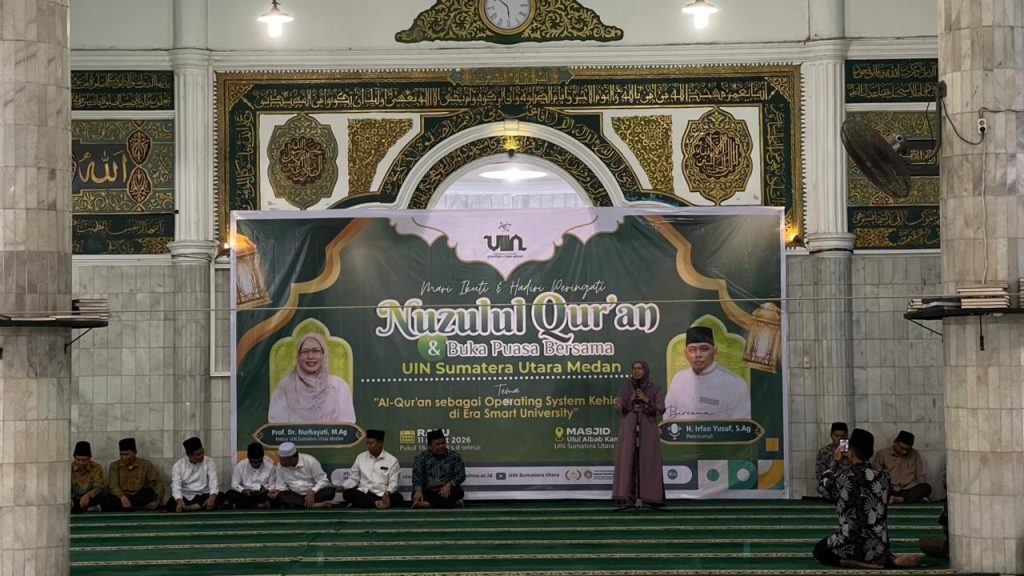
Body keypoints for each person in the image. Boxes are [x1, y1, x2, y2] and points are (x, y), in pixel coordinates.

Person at [814, 428, 919, 569]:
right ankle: (887, 560)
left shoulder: (843, 478)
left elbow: (822, 488)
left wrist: (835, 462)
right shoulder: (884, 478)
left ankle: (852, 563)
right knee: (874, 541)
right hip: (879, 547)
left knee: (819, 550)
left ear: (850, 451)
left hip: (850, 543)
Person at [664, 327, 751, 420]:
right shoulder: (679, 379)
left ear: (715, 351)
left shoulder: (735, 383)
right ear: (685, 354)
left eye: (704, 349)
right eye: (692, 350)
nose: (698, 355)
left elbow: (742, 422)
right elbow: (668, 416)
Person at [611, 360, 665, 508]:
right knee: (628, 458)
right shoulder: (625, 387)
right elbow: (618, 407)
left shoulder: (655, 388)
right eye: (634, 368)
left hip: (647, 428)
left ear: (645, 370)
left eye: (640, 368)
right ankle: (628, 498)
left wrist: (646, 399)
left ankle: (648, 497)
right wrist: (631, 399)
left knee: (648, 459)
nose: (636, 371)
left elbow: (661, 409)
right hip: (629, 428)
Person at [268, 333, 356, 423]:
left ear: (324, 354)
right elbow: (276, 425)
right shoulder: (285, 386)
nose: (310, 356)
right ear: (299, 356)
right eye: (305, 351)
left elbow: (348, 423)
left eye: (316, 351)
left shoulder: (338, 385)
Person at [341, 429, 404, 509]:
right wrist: (343, 486)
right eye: (367, 443)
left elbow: (393, 482)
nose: (368, 446)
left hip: (383, 494)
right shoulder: (360, 457)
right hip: (365, 493)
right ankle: (377, 504)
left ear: (380, 443)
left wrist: (387, 493)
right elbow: (354, 479)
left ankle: (369, 503)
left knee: (398, 498)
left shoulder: (392, 460)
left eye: (371, 443)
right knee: (347, 493)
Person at [102, 437, 164, 511]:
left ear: (135, 453)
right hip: (120, 498)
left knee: (149, 492)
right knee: (107, 499)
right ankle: (133, 507)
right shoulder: (114, 466)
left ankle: (125, 507)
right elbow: (113, 485)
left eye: (127, 454)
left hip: (137, 497)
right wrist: (122, 497)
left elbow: (157, 483)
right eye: (121, 455)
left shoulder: (145, 465)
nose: (124, 457)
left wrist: (157, 500)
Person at [269, 442, 336, 509]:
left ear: (292, 458)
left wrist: (313, 491)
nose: (281, 462)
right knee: (281, 496)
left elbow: (323, 480)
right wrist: (278, 492)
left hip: (314, 495)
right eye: (280, 458)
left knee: (330, 491)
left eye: (283, 460)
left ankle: (299, 504)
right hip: (295, 496)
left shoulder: (310, 461)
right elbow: (282, 487)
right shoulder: (280, 466)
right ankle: (314, 505)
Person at [872, 430, 932, 503]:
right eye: (902, 448)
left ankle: (900, 499)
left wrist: (923, 493)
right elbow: (876, 475)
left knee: (926, 487)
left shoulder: (914, 454)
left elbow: (920, 476)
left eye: (907, 449)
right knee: (878, 490)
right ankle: (910, 499)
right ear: (895, 442)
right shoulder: (882, 454)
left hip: (909, 489)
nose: (904, 452)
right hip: (891, 489)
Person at [411, 429, 466, 508]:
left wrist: (448, 485)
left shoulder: (454, 457)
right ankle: (452, 503)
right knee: (415, 494)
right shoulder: (421, 458)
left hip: (447, 490)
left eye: (443, 443)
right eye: (437, 444)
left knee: (458, 492)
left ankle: (426, 504)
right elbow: (417, 475)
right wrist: (418, 490)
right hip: (429, 491)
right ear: (429, 446)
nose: (441, 446)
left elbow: (461, 475)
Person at [167, 437, 219, 512]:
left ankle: (187, 509)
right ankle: (196, 507)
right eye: (198, 454)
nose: (202, 455)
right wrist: (179, 500)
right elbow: (176, 485)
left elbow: (213, 480)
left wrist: (212, 497)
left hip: (203, 494)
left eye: (203, 452)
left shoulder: (209, 462)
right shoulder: (178, 466)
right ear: (189, 455)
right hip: (185, 495)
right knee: (171, 503)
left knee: (218, 497)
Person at [224, 442, 275, 509]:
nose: (255, 464)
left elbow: (273, 485)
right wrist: (243, 490)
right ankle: (259, 506)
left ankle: (246, 505)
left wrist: (267, 490)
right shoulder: (240, 466)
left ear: (262, 457)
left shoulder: (270, 466)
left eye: (258, 462)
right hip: (246, 494)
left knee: (275, 496)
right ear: (248, 458)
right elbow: (234, 484)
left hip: (262, 494)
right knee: (230, 494)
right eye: (252, 462)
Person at [815, 422, 850, 501]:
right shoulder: (824, 452)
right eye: (836, 436)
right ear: (831, 436)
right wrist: (835, 461)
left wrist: (849, 457)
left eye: (843, 436)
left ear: (847, 436)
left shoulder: (852, 452)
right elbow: (820, 475)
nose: (839, 439)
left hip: (849, 488)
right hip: (831, 488)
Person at [71, 441, 106, 514]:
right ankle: (89, 509)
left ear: (90, 458)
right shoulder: (68, 468)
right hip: (74, 499)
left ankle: (81, 509)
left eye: (84, 460)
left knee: (107, 499)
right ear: (74, 457)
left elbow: (99, 487)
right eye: (78, 459)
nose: (81, 463)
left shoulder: (96, 467)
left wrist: (88, 495)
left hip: (90, 499)